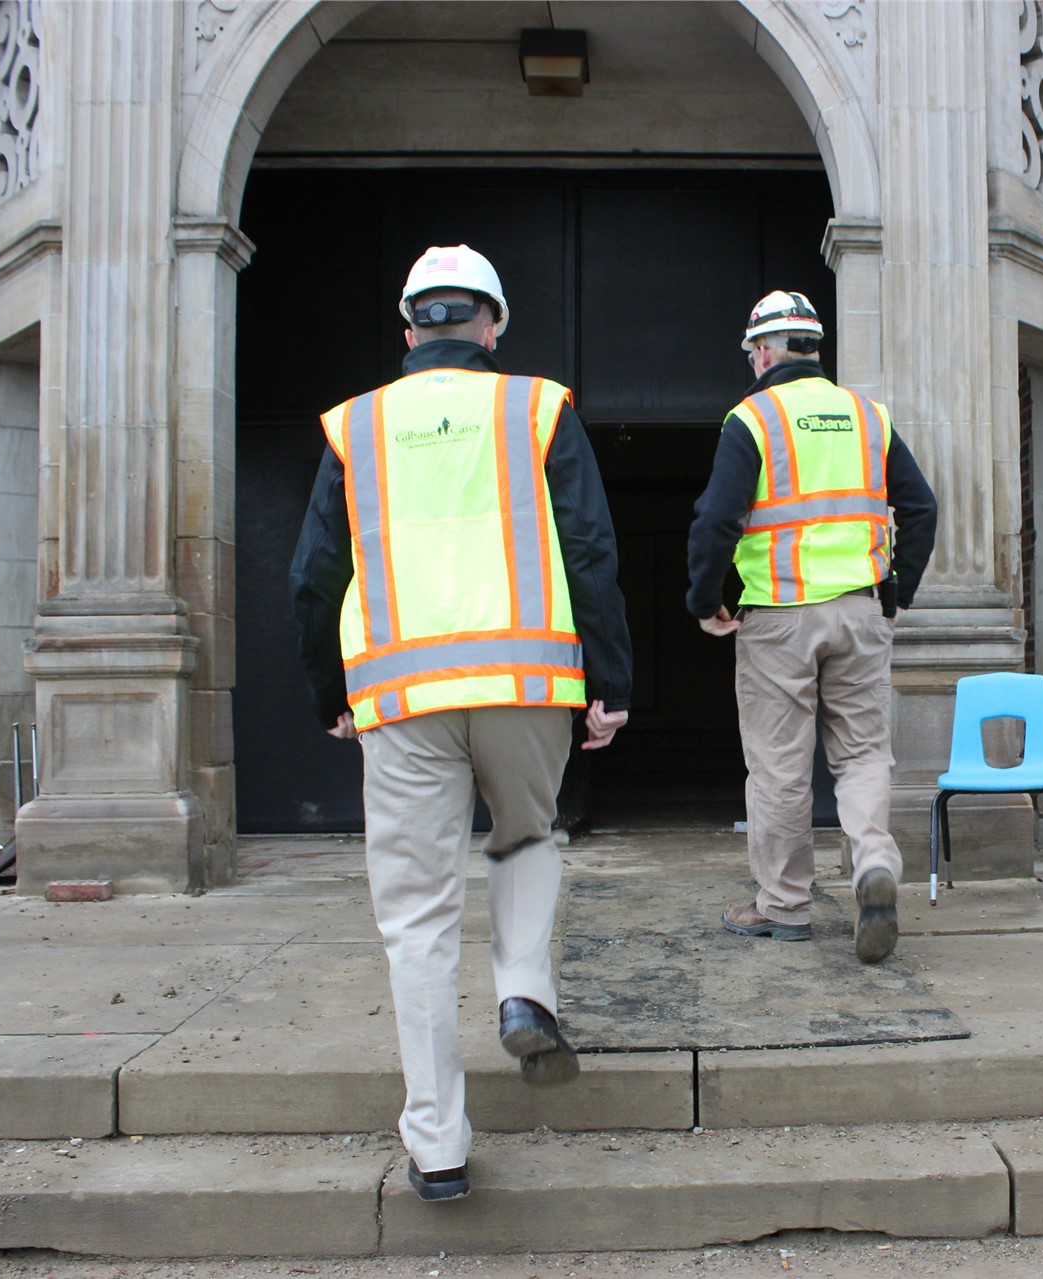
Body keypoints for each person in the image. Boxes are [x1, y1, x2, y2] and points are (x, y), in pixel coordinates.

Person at [290, 244, 631, 1203]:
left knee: (416, 918)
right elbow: (590, 545)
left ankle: (438, 1143)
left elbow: (313, 574)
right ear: (493, 325)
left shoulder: (355, 425)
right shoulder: (536, 407)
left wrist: (332, 694)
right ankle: (524, 986)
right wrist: (611, 679)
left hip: (401, 700)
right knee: (526, 838)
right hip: (527, 687)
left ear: (409, 332)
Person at [685, 290, 938, 965]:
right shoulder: (867, 416)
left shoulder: (753, 418)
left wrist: (706, 599)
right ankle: (872, 864)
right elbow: (921, 506)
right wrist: (897, 590)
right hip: (859, 611)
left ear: (764, 351)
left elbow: (715, 520)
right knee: (860, 754)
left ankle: (784, 905)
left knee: (779, 766)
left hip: (778, 616)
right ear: (814, 348)